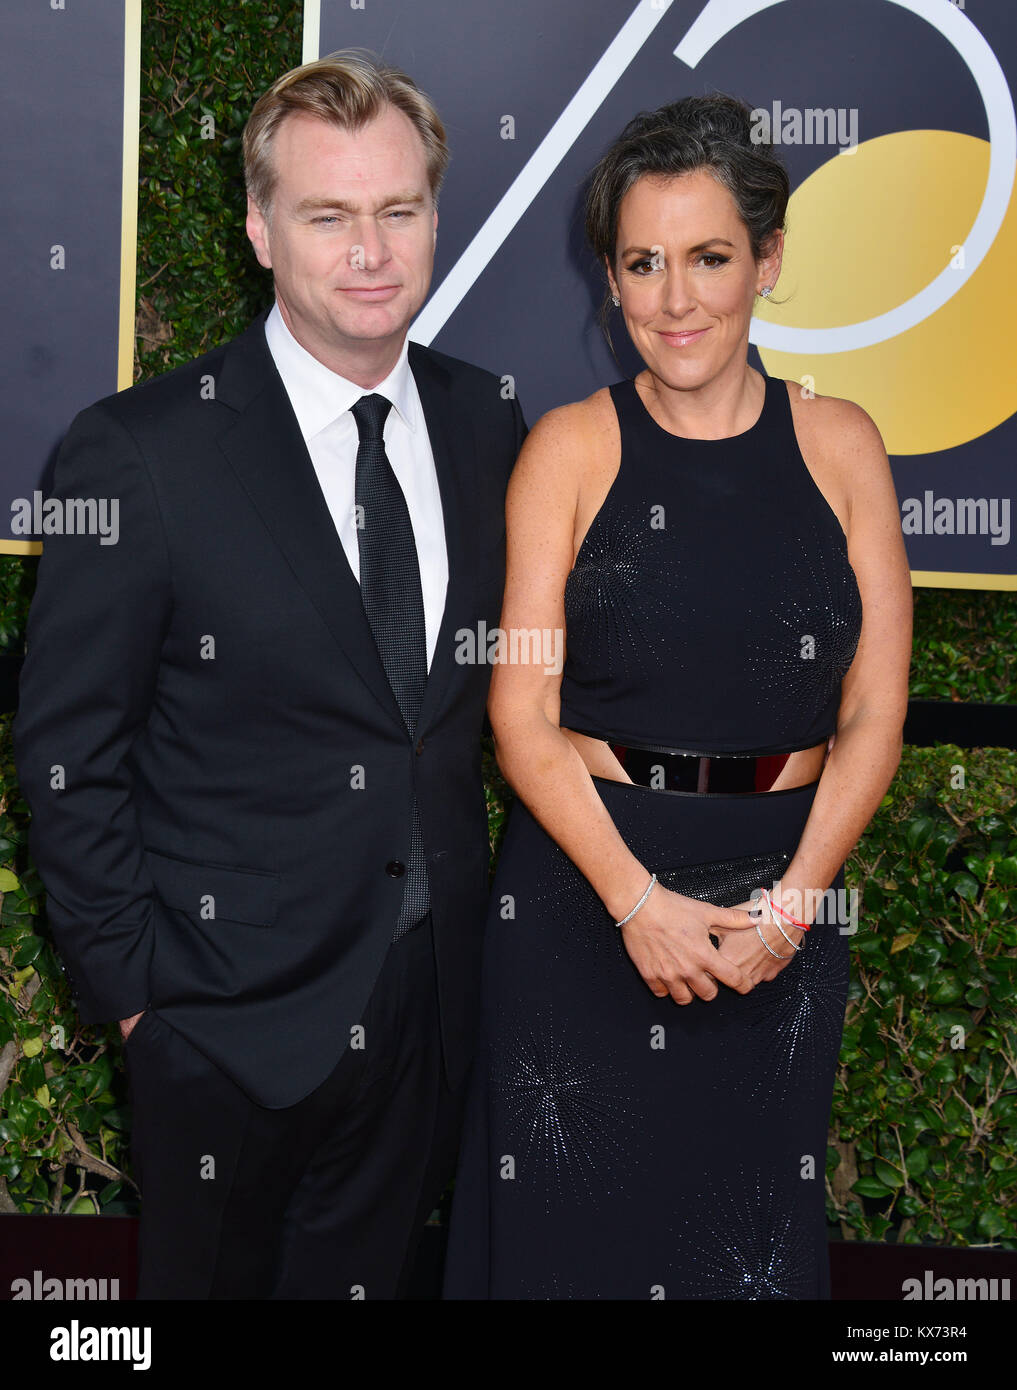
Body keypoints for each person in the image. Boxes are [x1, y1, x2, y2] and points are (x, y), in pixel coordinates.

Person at [13, 49, 526, 1299]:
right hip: (222, 1024)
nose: (371, 250)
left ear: (433, 218)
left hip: (430, 1011)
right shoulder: (142, 451)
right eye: (328, 215)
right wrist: (144, 1003)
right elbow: (69, 752)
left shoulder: (488, 423)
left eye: (398, 211)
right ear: (258, 228)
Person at [442, 93, 911, 1300]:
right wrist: (636, 901)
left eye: (708, 257)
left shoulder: (845, 445)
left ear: (768, 258)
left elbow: (873, 713)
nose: (676, 298)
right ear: (610, 279)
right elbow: (521, 715)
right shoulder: (569, 449)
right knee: (566, 1247)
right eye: (643, 263)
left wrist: (794, 908)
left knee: (744, 1245)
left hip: (781, 908)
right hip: (583, 895)